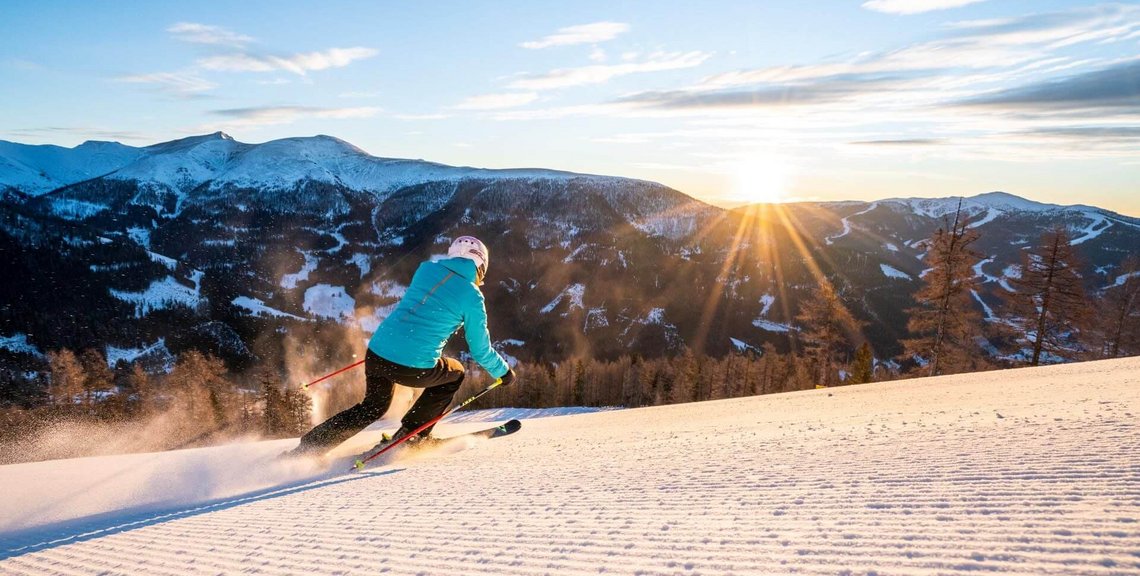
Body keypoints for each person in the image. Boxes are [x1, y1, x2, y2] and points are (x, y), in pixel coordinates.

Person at [288, 235, 515, 457]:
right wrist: (503, 372)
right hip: (412, 366)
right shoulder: (472, 297)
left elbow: (422, 312)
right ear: (480, 266)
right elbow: (480, 349)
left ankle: (311, 446)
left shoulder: (425, 270)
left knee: (372, 408)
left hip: (377, 352)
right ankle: (412, 435)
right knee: (455, 373)